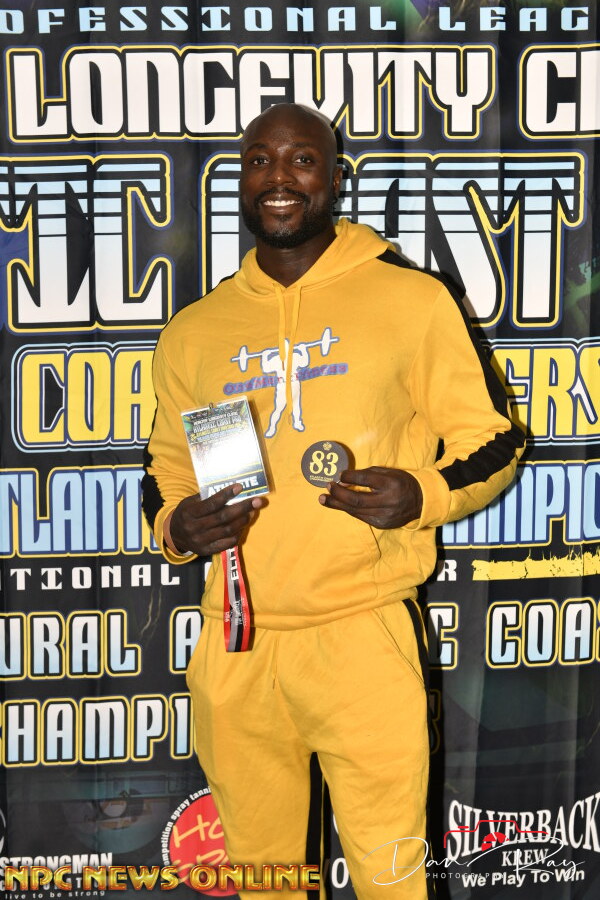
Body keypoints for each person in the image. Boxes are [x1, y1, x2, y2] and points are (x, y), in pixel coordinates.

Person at [142, 103, 525, 899]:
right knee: (265, 882)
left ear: (335, 176)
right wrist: (176, 524)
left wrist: (421, 493)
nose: (279, 178)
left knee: (392, 878)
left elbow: (495, 439)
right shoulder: (196, 328)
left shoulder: (412, 299)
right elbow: (164, 467)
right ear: (240, 178)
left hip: (362, 636)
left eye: (302, 160)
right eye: (260, 160)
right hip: (237, 643)